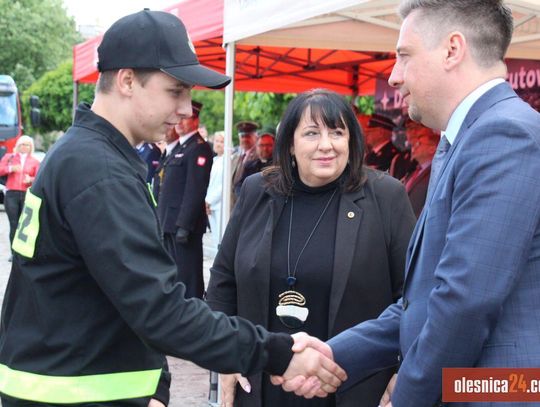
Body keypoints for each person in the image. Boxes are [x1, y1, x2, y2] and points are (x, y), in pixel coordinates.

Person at [0, 10, 347, 407]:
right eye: (175, 91)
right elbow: (161, 309)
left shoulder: (88, 156)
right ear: (127, 80)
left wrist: (155, 386)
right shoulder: (100, 171)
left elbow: (122, 298)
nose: (186, 109)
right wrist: (278, 353)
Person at [279, 1, 540, 406]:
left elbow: (464, 302)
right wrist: (333, 354)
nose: (394, 76)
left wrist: (407, 398)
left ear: (452, 50)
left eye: (404, 55)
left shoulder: (503, 134)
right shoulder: (467, 138)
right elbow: (422, 302)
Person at [206, 88, 416, 407]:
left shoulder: (386, 197)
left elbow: (413, 296)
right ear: (290, 144)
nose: (326, 145)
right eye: (312, 133)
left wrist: (403, 372)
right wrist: (226, 356)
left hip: (351, 388)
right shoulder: (257, 191)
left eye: (337, 133)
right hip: (262, 387)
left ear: (351, 141)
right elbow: (223, 280)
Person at [155, 100, 212, 299]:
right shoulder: (181, 147)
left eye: (185, 118)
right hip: (170, 222)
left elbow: (195, 189)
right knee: (175, 273)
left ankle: (193, 307)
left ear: (195, 121)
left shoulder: (198, 147)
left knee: (188, 275)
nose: (179, 122)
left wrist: (184, 225)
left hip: (183, 225)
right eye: (178, 118)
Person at [0, 135, 40, 252]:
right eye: (22, 144)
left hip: (27, 194)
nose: (24, 147)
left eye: (27, 145)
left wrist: (31, 179)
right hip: (11, 194)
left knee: (25, 226)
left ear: (31, 147)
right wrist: (11, 168)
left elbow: (39, 178)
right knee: (13, 224)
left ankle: (22, 253)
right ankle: (13, 253)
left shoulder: (35, 161)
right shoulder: (9, 157)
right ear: (18, 146)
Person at [401, 120, 439, 217]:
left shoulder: (435, 172)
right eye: (414, 144)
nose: (414, 147)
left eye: (419, 144)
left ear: (432, 149)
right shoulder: (415, 171)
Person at [233, 131, 275, 196]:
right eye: (261, 145)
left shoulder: (278, 167)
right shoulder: (249, 166)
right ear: (256, 147)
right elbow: (239, 185)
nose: (265, 148)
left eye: (269, 145)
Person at [205, 131, 225, 248]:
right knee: (215, 239)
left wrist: (209, 201)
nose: (218, 144)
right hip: (211, 204)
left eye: (222, 142)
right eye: (217, 141)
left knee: (221, 238)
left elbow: (224, 185)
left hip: (221, 204)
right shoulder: (215, 160)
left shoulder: (228, 161)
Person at [231, 121, 258, 204]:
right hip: (234, 204)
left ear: (255, 137)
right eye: (242, 136)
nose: (244, 139)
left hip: (249, 202)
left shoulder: (259, 156)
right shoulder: (235, 157)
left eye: (248, 136)